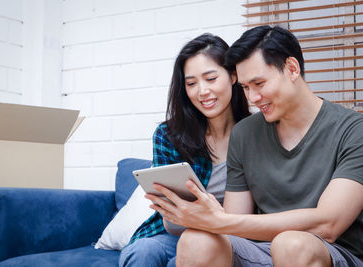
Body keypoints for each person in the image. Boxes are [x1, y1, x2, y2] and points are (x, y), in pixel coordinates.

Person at [146, 25, 363, 267]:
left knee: (291, 244)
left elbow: (328, 224)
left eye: (259, 84)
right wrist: (210, 219)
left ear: (292, 69)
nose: (252, 98)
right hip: (263, 249)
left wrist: (219, 220)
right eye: (246, 88)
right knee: (195, 240)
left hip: (331, 251)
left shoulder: (354, 130)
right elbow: (236, 224)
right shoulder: (245, 133)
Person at [118, 33, 250, 267]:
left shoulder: (255, 133)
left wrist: (207, 216)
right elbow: (171, 217)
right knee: (142, 252)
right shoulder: (169, 135)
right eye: (191, 83)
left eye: (210, 78)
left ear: (232, 75)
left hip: (231, 236)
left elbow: (245, 219)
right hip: (173, 232)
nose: (202, 91)